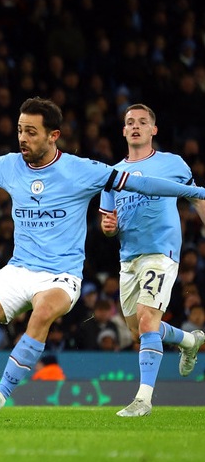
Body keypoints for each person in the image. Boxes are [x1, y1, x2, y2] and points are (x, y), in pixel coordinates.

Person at [0, 97, 205, 427]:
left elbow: (140, 182)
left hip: (62, 275)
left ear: (53, 135)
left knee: (44, 311)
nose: (23, 138)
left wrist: (200, 192)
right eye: (21, 130)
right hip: (19, 268)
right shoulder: (9, 165)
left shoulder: (82, 170)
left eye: (31, 132)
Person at [99, 103, 205, 417]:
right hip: (129, 258)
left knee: (147, 318)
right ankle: (188, 341)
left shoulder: (172, 163)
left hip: (162, 252)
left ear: (153, 130)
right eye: (130, 122)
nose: (135, 126)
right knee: (140, 330)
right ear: (123, 130)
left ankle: (143, 400)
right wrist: (108, 226)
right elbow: (108, 220)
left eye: (142, 122)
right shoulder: (112, 175)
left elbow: (197, 196)